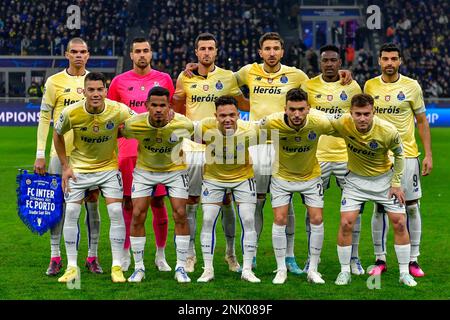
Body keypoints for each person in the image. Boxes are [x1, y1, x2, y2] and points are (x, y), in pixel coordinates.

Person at [233, 32, 352, 273]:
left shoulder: (297, 75)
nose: (272, 52)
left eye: (276, 48)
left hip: (285, 146)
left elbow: (316, 90)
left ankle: (289, 257)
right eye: (267, 48)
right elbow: (224, 80)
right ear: (260, 52)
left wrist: (339, 76)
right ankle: (251, 253)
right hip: (258, 146)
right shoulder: (248, 71)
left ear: (282, 51)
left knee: (286, 204)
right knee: (256, 203)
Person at [173, 33, 249, 273]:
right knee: (192, 202)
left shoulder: (228, 77)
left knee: (227, 201)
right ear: (196, 52)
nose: (206, 52)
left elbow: (245, 105)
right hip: (194, 148)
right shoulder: (184, 78)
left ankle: (230, 254)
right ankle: (191, 255)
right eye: (202, 48)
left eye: (211, 48)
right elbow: (176, 110)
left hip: (222, 148)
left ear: (217, 52)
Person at [53, 72, 134, 283]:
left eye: (100, 89)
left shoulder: (118, 110)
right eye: (91, 90)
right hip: (79, 169)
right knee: (71, 212)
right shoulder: (71, 112)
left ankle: (117, 266)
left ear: (105, 91)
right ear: (84, 91)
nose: (95, 94)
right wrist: (65, 166)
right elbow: (57, 134)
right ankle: (71, 267)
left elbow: (138, 123)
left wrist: (125, 133)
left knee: (116, 210)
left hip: (108, 169)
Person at [331, 93, 417, 287]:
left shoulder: (388, 130)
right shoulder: (343, 123)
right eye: (358, 114)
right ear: (351, 113)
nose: (362, 118)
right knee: (346, 223)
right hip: (355, 181)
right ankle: (345, 271)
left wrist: (396, 183)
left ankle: (404, 273)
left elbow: (400, 155)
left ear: (373, 112)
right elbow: (320, 122)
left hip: (384, 180)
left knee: (400, 223)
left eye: (366, 114)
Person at [34, 37, 102, 276]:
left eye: (83, 51)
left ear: (88, 54)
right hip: (59, 154)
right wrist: (40, 154)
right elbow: (45, 118)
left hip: (90, 154)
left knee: (92, 205)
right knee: (57, 206)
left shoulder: (95, 81)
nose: (78, 55)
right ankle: (55, 257)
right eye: (74, 52)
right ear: (66, 54)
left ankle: (92, 256)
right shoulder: (54, 82)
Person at [364, 43, 432, 277]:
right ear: (379, 61)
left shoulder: (412, 86)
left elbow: (422, 121)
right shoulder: (370, 85)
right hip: (379, 157)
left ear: (400, 61)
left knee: (411, 208)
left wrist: (428, 155)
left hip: (408, 156)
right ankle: (380, 258)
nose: (389, 63)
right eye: (385, 59)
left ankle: (413, 259)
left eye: (394, 58)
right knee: (380, 208)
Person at [107, 37, 174, 272]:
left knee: (158, 201)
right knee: (128, 203)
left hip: (157, 152)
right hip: (127, 152)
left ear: (151, 53)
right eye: (138, 51)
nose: (142, 55)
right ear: (131, 55)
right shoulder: (118, 82)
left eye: (146, 50)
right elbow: (112, 118)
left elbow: (171, 111)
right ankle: (125, 253)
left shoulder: (164, 79)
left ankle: (160, 255)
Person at [301, 44, 364, 275]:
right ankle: (311, 259)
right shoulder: (308, 86)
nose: (329, 64)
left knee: (354, 210)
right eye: (325, 60)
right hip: (318, 156)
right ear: (320, 62)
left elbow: (361, 118)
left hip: (347, 157)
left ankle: (354, 257)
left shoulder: (352, 86)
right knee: (312, 211)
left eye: (333, 60)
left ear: (340, 62)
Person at [260, 88, 333, 284]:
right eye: (292, 109)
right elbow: (251, 131)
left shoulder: (320, 122)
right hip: (281, 177)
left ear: (309, 108)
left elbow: (345, 129)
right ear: (285, 109)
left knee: (317, 218)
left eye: (301, 109)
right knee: (280, 218)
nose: (297, 114)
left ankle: (313, 269)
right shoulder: (271, 122)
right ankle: (281, 269)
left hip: (311, 177)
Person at [122, 86, 194, 283]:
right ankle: (138, 268)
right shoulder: (133, 124)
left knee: (180, 213)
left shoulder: (183, 124)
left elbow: (196, 136)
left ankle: (180, 266)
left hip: (174, 170)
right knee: (137, 214)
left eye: (163, 105)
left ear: (169, 106)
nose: (158, 109)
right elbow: (119, 135)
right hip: (145, 171)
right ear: (146, 106)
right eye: (154, 105)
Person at [195, 96, 260, 283]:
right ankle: (208, 269)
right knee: (207, 220)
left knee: (248, 220)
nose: (227, 119)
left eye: (232, 115)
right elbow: (183, 130)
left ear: (239, 115)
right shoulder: (204, 127)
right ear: (215, 115)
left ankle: (247, 270)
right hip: (213, 178)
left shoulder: (251, 129)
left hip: (243, 177)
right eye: (222, 115)